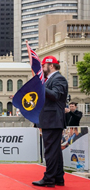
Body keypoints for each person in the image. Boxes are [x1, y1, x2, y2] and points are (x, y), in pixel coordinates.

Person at [32, 56, 68, 187]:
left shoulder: (59, 78)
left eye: (43, 66)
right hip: (51, 119)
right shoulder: (51, 79)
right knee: (55, 151)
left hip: (53, 120)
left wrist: (40, 85)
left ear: (51, 66)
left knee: (51, 151)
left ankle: (49, 179)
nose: (42, 68)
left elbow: (55, 95)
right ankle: (58, 177)